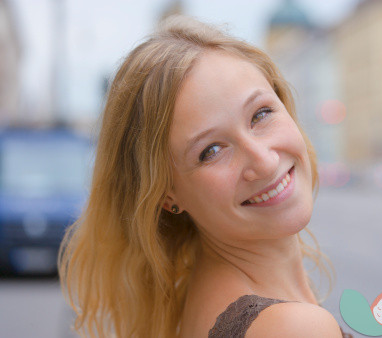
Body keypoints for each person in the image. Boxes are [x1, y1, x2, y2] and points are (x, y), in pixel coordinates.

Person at [59, 15, 344, 338]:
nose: (263, 161)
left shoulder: (205, 299)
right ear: (167, 194)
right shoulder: (291, 328)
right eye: (211, 150)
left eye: (260, 114)